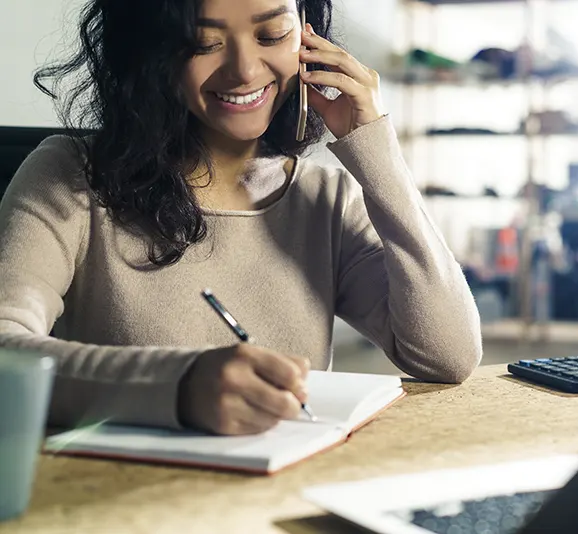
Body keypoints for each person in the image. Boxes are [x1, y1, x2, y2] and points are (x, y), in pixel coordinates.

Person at [0, 0, 482, 436]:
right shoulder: (70, 175)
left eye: (272, 35)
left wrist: (376, 147)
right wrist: (181, 388)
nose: (244, 69)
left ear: (307, 37)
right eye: (203, 43)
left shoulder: (325, 198)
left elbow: (448, 355)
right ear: (151, 52)